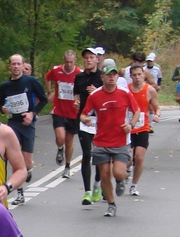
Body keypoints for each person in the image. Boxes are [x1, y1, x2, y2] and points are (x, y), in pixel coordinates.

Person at [81, 60, 140, 217]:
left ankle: (121, 180)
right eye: (109, 75)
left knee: (119, 172)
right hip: (101, 141)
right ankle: (111, 204)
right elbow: (83, 113)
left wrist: (131, 125)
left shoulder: (124, 93)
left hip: (121, 141)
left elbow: (137, 110)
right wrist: (85, 119)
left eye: (114, 74)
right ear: (103, 77)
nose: (112, 77)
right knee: (105, 174)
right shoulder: (95, 95)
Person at [0, 53, 49, 205]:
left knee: (26, 162)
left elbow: (44, 99)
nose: (15, 66)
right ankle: (20, 193)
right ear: (9, 66)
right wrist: (3, 109)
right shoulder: (5, 86)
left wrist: (33, 113)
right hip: (13, 124)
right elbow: (0, 103)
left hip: (27, 124)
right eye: (13, 64)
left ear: (22, 65)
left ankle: (28, 170)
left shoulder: (30, 81)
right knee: (15, 159)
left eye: (18, 64)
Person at [74, 46, 104, 205]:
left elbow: (109, 93)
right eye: (85, 58)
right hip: (85, 120)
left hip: (100, 120)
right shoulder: (78, 77)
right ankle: (87, 192)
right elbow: (76, 95)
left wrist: (97, 91)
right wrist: (76, 102)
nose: (88, 60)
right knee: (87, 154)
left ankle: (97, 184)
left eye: (91, 57)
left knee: (99, 155)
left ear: (97, 59)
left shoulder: (103, 77)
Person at [127, 63, 160, 197]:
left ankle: (134, 185)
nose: (137, 77)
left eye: (139, 74)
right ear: (130, 76)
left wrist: (157, 114)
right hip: (127, 128)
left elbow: (157, 107)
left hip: (143, 127)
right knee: (128, 159)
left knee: (139, 157)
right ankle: (125, 174)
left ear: (143, 75)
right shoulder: (126, 89)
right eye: (134, 75)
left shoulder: (149, 90)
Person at [46, 50, 80, 176]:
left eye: (71, 62)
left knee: (69, 141)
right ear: (63, 60)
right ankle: (60, 148)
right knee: (60, 137)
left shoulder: (79, 73)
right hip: (59, 109)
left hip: (72, 111)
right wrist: (49, 92)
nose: (69, 64)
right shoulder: (56, 70)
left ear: (75, 61)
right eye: (66, 62)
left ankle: (67, 166)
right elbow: (47, 78)